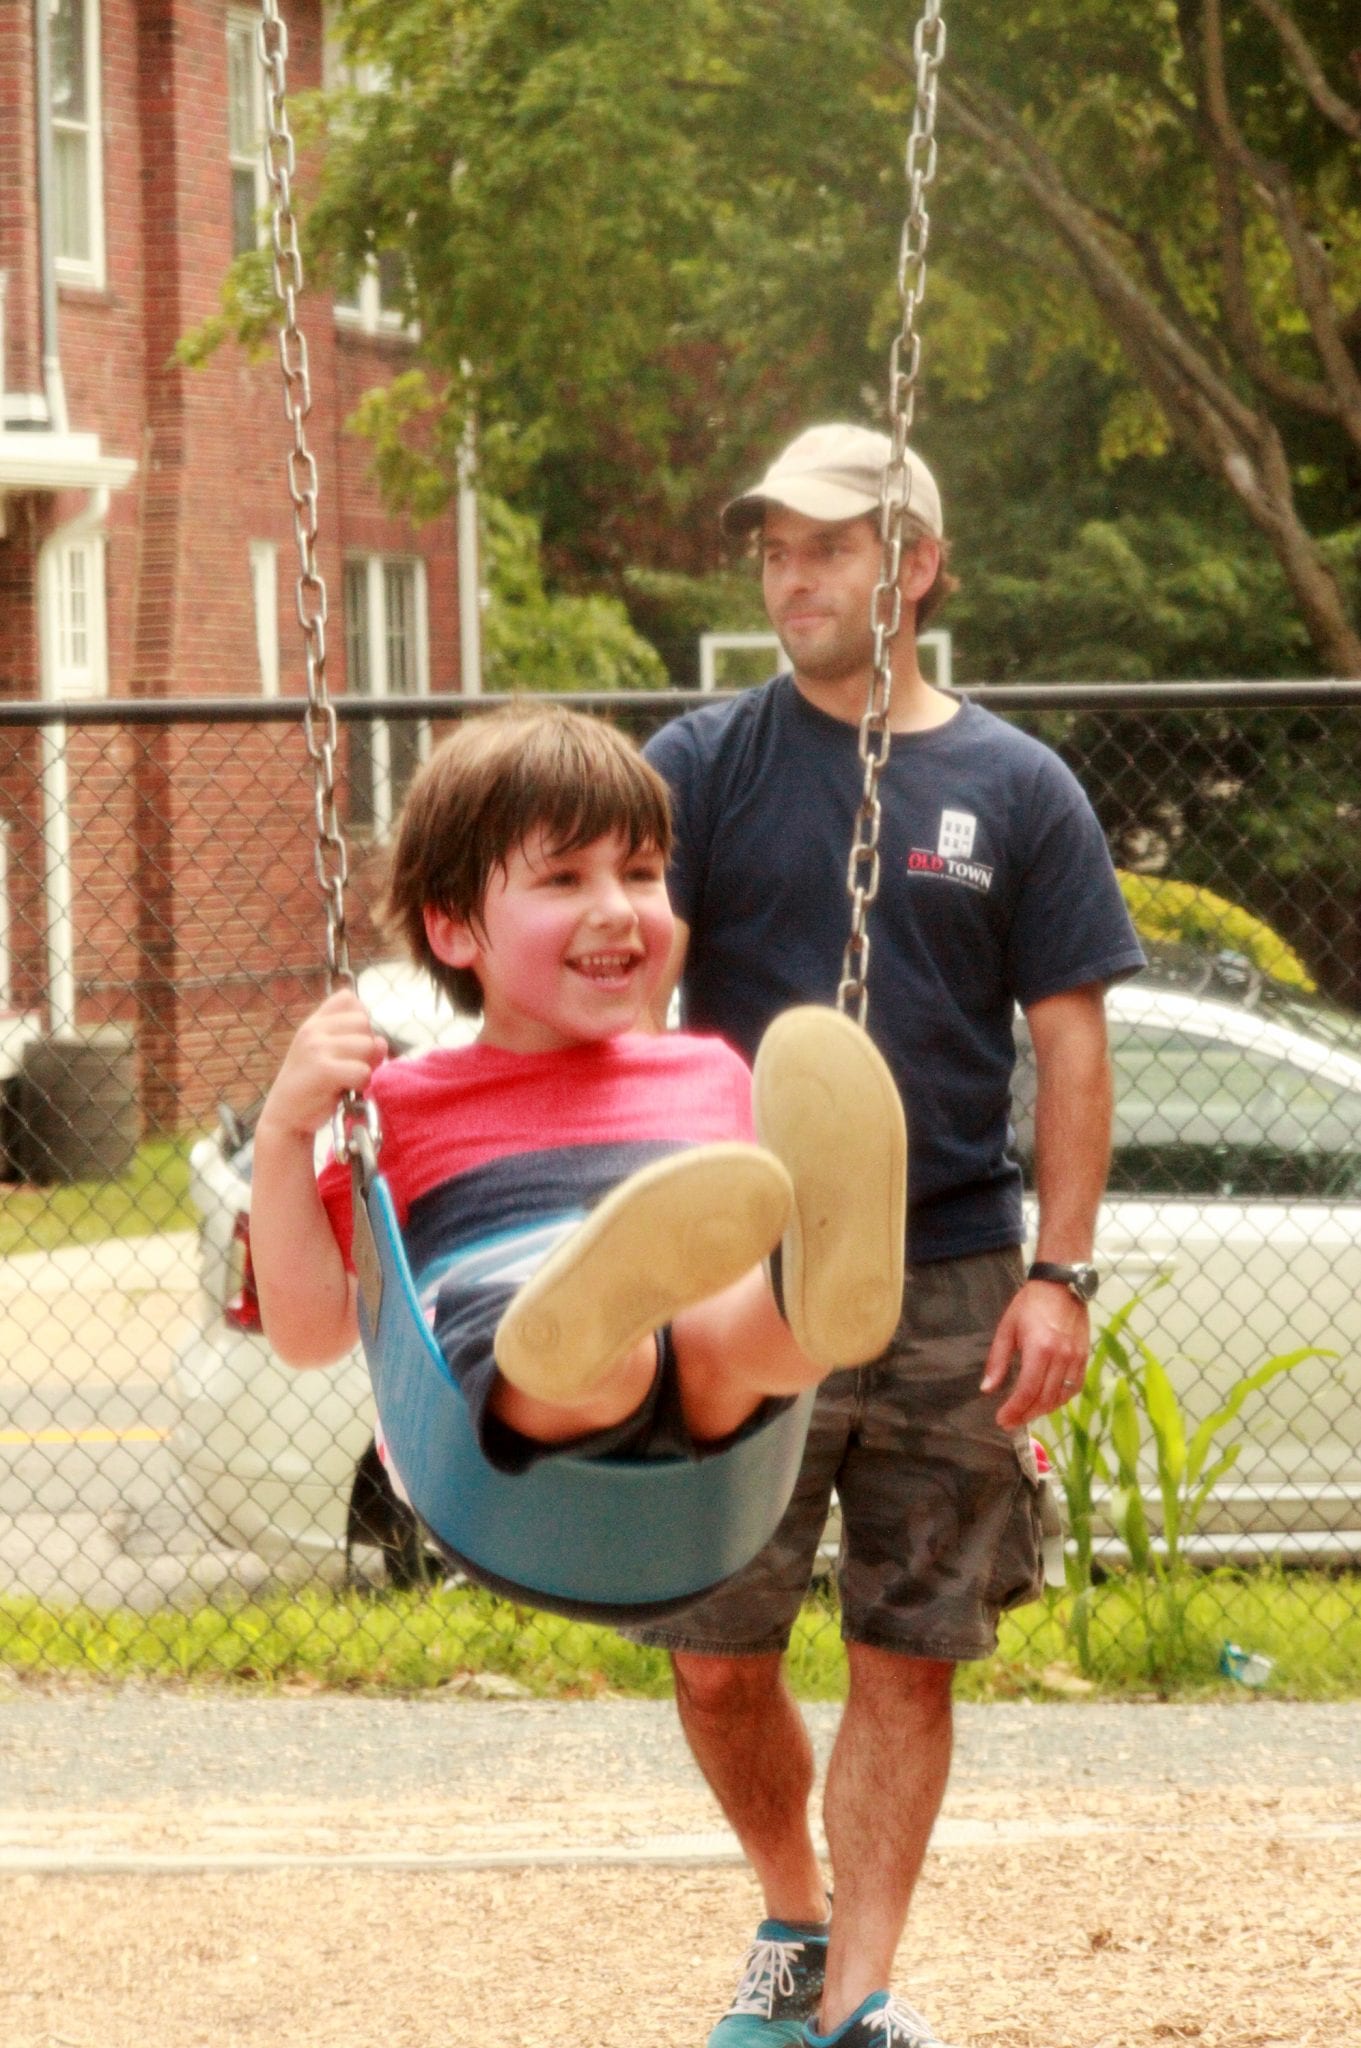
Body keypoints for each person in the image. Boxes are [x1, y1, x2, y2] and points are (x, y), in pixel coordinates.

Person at [637, 424, 1147, 2048]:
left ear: (911, 567)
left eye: (827, 547)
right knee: (718, 1656)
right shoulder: (703, 764)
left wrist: (1060, 1274)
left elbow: (1068, 1045)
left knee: (904, 1652)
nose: (791, 575)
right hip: (742, 1276)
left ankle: (860, 1991)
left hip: (950, 1278)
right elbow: (615, 976)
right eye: (773, 549)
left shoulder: (1018, 786)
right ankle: (791, 1911)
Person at [249, 702, 907, 1509]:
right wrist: (285, 1132)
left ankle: (820, 1292)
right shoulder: (401, 1105)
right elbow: (312, 1332)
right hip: (513, 1404)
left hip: (705, 1402)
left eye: (640, 873)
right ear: (453, 929)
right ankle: (597, 1302)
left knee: (737, 1337)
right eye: (563, 878)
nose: (617, 908)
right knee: (584, 1363)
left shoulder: (709, 1073)